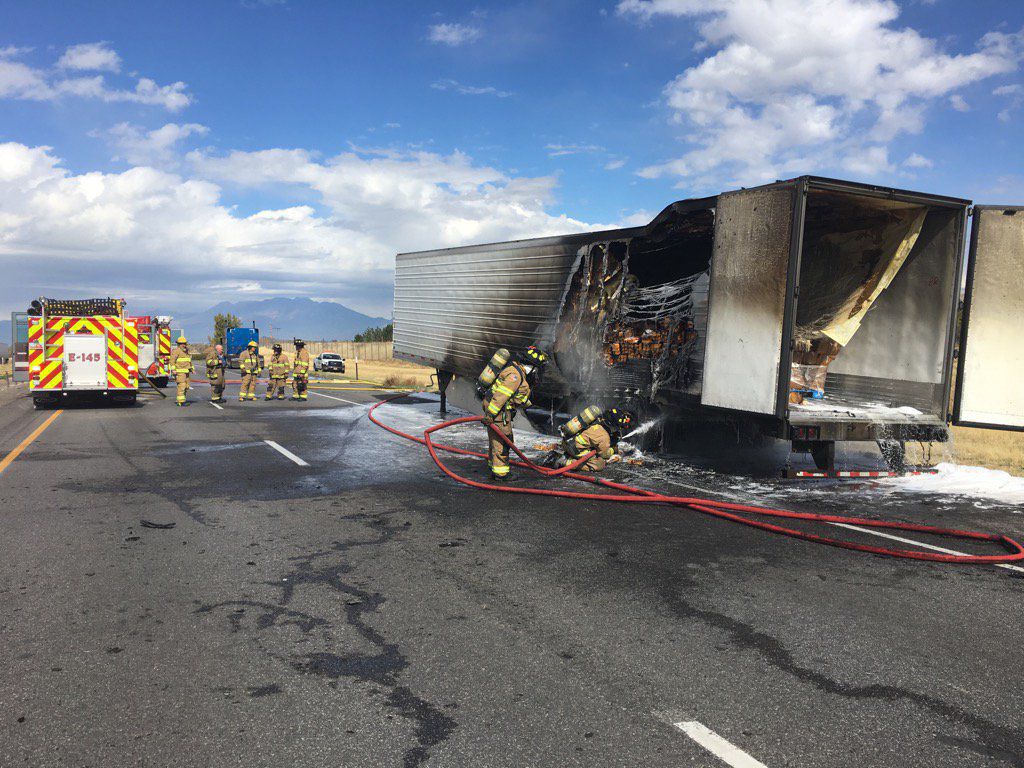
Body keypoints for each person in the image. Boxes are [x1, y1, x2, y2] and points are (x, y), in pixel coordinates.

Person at [481, 345, 548, 481]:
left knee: (496, 440)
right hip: (498, 411)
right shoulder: (515, 377)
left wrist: (531, 404)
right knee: (503, 442)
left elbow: (516, 397)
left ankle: (493, 466)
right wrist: (491, 415)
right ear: (532, 367)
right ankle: (501, 474)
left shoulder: (517, 371)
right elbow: (501, 396)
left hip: (498, 409)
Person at [556, 406, 636, 472]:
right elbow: (604, 454)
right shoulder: (604, 437)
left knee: (589, 447)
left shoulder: (595, 420)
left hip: (565, 442)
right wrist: (613, 450)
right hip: (574, 449)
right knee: (599, 464)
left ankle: (567, 456)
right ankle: (564, 461)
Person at [168, 335, 194, 407]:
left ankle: (183, 400)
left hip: (186, 372)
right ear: (179, 344)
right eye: (182, 343)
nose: (184, 345)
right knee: (182, 386)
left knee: (186, 386)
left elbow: (189, 361)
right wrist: (173, 370)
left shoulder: (186, 351)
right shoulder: (176, 351)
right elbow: (172, 361)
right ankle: (180, 402)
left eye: (185, 343)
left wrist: (192, 369)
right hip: (179, 372)